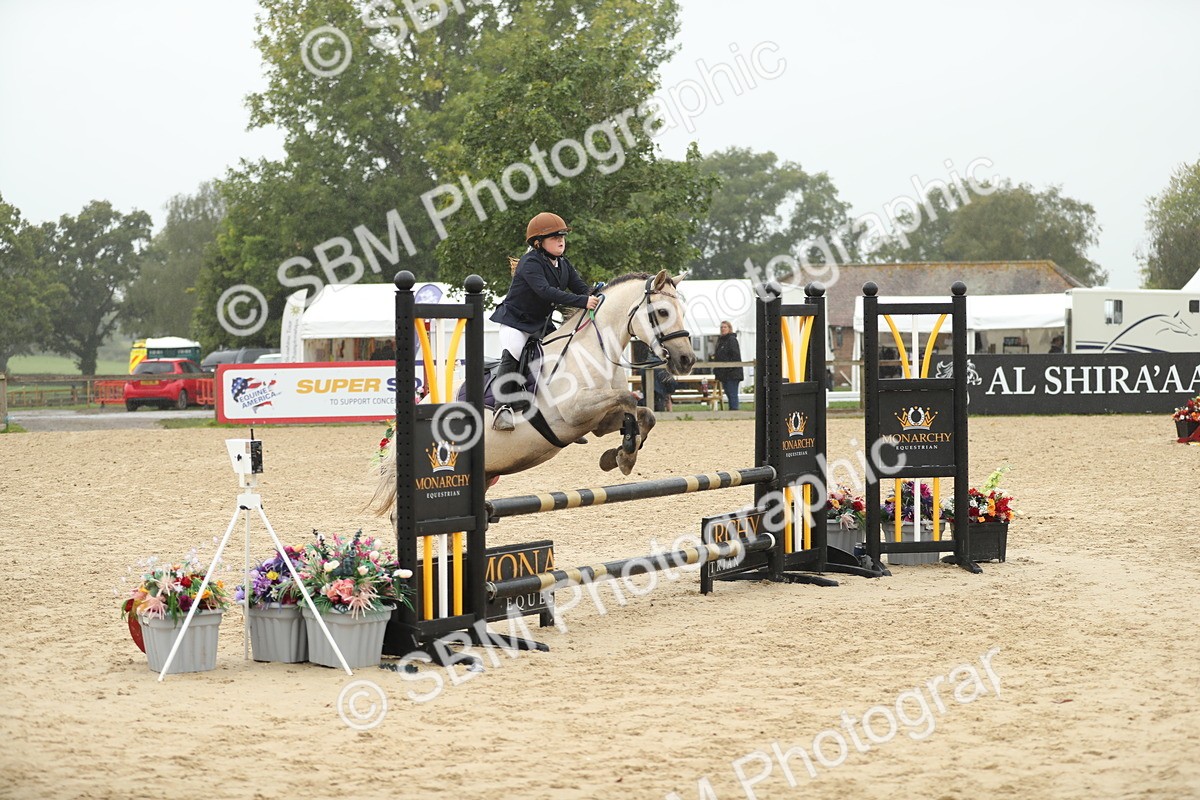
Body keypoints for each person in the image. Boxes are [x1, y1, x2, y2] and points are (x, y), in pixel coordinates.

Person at [489, 212, 599, 430]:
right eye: (554, 237)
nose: (561, 241)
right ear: (539, 243)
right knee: (514, 351)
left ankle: (564, 411)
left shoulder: (563, 264)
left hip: (540, 324)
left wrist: (602, 293)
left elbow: (582, 289)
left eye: (562, 237)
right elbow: (546, 292)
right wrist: (584, 301)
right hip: (516, 321)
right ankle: (501, 409)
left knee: (563, 353)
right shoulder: (530, 263)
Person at [712, 320, 744, 410]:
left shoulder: (732, 340)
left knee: (732, 393)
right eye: (721, 327)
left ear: (729, 328)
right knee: (729, 393)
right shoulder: (721, 341)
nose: (723, 329)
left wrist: (729, 368)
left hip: (732, 373)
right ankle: (732, 410)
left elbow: (735, 356)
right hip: (724, 373)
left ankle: (734, 411)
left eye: (725, 327)